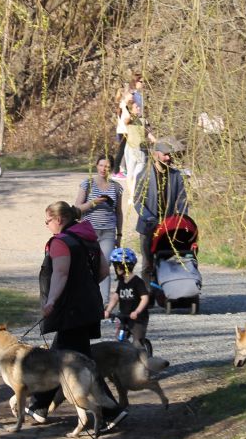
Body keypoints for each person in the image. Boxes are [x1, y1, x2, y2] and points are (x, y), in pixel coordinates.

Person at [32, 202, 124, 431]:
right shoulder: (87, 238)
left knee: (80, 363)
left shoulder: (61, 242)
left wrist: (52, 301)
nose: (47, 226)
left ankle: (112, 411)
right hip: (88, 308)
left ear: (59, 219)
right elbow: (103, 271)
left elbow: (60, 274)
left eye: (48, 221)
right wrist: (85, 288)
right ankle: (39, 406)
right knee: (58, 357)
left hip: (70, 312)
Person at [134, 137, 188, 280]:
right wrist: (150, 218)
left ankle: (164, 295)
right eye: (165, 154)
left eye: (170, 155)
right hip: (148, 227)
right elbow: (138, 202)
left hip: (168, 227)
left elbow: (182, 200)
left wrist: (182, 219)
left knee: (165, 262)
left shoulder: (176, 176)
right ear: (155, 154)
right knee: (148, 264)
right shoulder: (143, 175)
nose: (168, 158)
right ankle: (147, 297)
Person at [75, 155, 123, 301]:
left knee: (105, 264)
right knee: (88, 265)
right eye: (101, 165)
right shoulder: (87, 184)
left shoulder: (116, 187)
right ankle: (86, 299)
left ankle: (103, 302)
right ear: (96, 166)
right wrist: (93, 203)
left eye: (107, 167)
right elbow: (76, 209)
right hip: (89, 230)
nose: (104, 169)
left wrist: (119, 235)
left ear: (112, 169)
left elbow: (118, 212)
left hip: (108, 231)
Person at [103, 247, 151, 349]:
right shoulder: (121, 282)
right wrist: (108, 310)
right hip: (124, 317)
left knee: (137, 343)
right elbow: (116, 297)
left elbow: (145, 298)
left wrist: (137, 311)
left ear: (126, 266)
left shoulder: (137, 282)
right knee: (118, 342)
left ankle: (143, 362)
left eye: (117, 266)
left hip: (138, 319)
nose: (115, 269)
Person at [122, 99, 149, 215]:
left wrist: (157, 142)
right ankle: (132, 196)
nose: (139, 108)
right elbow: (126, 119)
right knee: (131, 174)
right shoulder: (130, 120)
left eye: (139, 107)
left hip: (142, 150)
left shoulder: (144, 120)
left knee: (138, 175)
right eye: (136, 107)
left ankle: (135, 195)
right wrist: (126, 108)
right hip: (131, 150)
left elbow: (149, 133)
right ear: (131, 110)